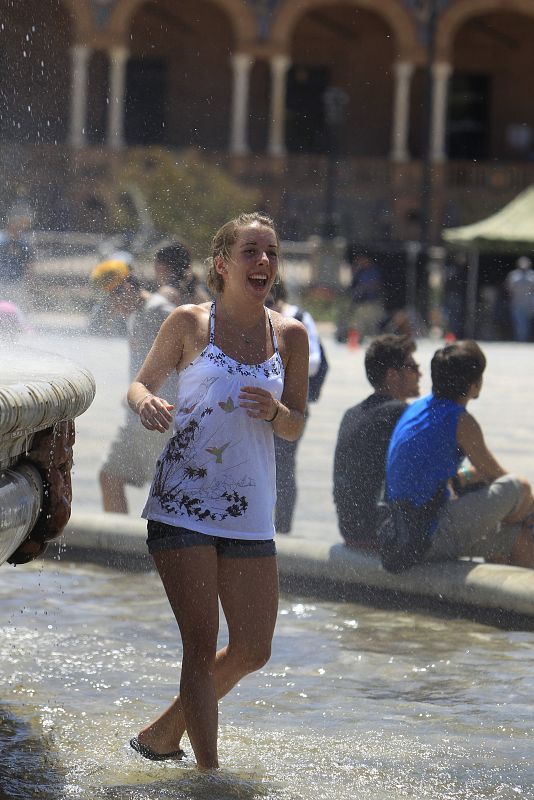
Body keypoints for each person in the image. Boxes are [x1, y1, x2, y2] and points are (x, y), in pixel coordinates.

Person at [127, 212, 308, 770]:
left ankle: (161, 734)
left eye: (272, 252)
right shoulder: (187, 323)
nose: (265, 263)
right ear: (223, 263)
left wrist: (277, 412)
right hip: (182, 503)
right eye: (252, 252)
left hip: (250, 510)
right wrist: (147, 403)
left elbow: (296, 425)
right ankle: (208, 775)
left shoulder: (291, 335)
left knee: (255, 648)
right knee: (200, 649)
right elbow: (139, 384)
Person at [383, 340, 534, 571]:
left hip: (400, 533)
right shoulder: (460, 420)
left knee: (515, 537)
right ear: (474, 385)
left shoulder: (418, 408)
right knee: (520, 488)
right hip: (429, 535)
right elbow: (497, 476)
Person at [89, 259, 177, 513]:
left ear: (126, 288)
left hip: (161, 416)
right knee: (110, 477)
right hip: (140, 414)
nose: (110, 308)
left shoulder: (160, 312)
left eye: (110, 299)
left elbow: (187, 359)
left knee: (165, 491)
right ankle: (120, 550)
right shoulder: (137, 314)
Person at [333, 334, 420, 550]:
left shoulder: (352, 413)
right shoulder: (399, 413)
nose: (420, 373)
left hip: (351, 529)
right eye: (412, 367)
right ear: (392, 375)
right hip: (383, 532)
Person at [267, 279, 321, 532]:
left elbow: (315, 362)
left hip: (290, 404)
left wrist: (284, 357)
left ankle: (283, 527)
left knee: (284, 466)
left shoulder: (298, 319)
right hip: (259, 404)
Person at [0, 217, 34, 310]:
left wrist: (29, 280)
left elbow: (28, 263)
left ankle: (18, 323)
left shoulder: (23, 244)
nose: (17, 230)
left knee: (18, 305)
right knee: (3, 304)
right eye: (15, 227)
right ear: (9, 227)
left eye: (19, 228)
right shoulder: (2, 242)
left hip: (17, 280)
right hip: (3, 280)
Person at [505, 256, 534, 342]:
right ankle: (521, 339)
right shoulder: (513, 275)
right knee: (520, 322)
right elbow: (509, 287)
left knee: (527, 323)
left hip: (530, 303)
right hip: (517, 302)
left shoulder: (532, 275)